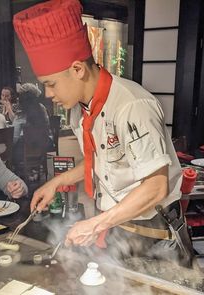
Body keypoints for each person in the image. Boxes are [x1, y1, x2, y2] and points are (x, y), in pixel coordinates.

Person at [14, 0, 191, 264]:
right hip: (118, 228)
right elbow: (101, 158)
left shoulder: (132, 106)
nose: (48, 95)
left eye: (50, 85)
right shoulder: (78, 109)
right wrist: (57, 182)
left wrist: (95, 224)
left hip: (154, 233)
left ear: (77, 69)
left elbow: (156, 186)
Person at [12, 83, 53, 179]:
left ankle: (22, 173)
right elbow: (47, 125)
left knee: (14, 147)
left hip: (27, 147)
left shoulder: (21, 114)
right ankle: (35, 169)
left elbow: (15, 136)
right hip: (44, 145)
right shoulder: (42, 108)